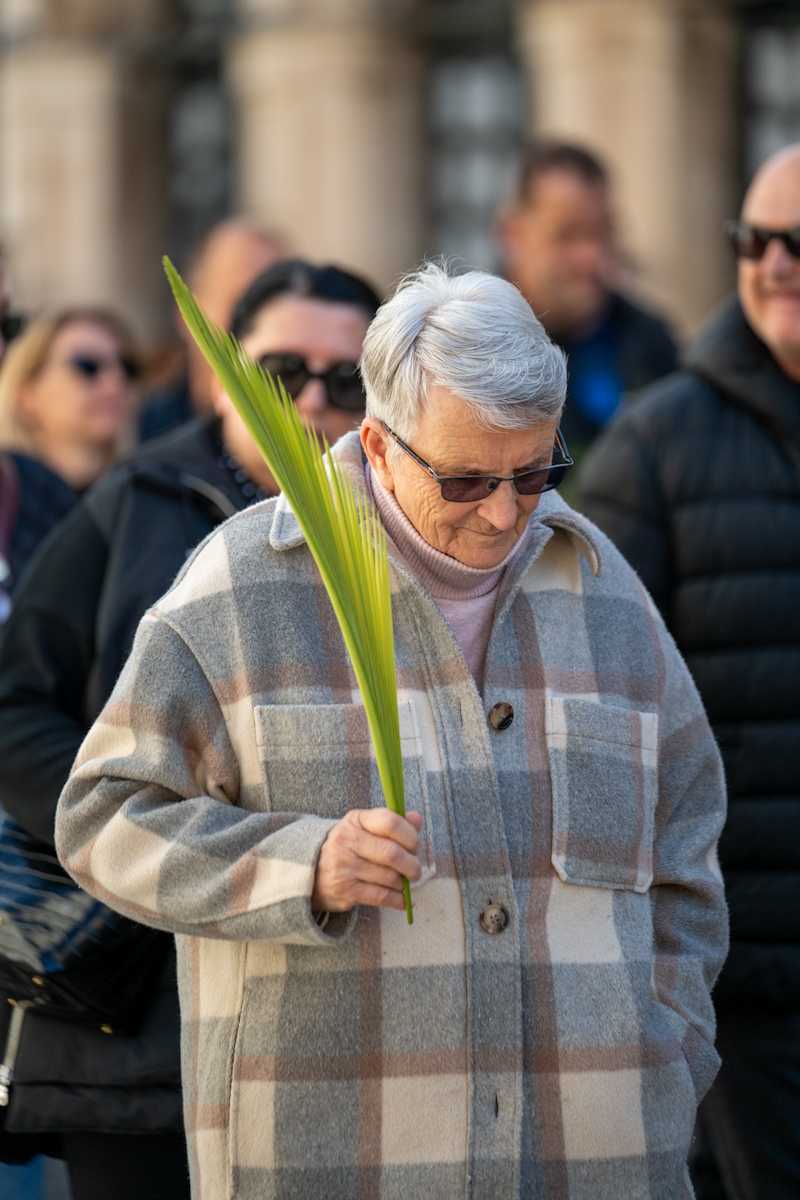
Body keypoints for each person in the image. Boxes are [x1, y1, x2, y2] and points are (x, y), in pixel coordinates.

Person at [55, 262, 727, 1200]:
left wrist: (669, 1053)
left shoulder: (603, 585)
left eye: (535, 472)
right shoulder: (242, 584)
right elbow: (101, 821)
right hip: (333, 1163)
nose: (504, 512)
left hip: (596, 1165)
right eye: (465, 479)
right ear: (376, 442)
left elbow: (686, 848)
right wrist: (303, 865)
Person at [0, 259, 380, 1200]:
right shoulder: (137, 501)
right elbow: (13, 704)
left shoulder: (409, 530)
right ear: (223, 372)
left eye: (345, 378)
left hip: (346, 997)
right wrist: (129, 831)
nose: (311, 401)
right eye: (281, 372)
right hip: (144, 1002)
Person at [577, 143, 800, 1199]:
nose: (773, 265)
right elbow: (595, 712)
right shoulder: (656, 445)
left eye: (795, 243)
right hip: (743, 977)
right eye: (752, 241)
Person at [497, 139, 678, 455]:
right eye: (568, 235)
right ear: (513, 235)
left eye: (602, 233)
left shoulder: (651, 345)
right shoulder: (471, 349)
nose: (591, 258)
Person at [0, 306, 139, 592]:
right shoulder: (7, 491)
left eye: (127, 368)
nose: (114, 383)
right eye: (87, 366)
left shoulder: (137, 497)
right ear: (27, 394)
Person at [139, 218, 287, 441]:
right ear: (186, 313)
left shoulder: (318, 427)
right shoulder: (135, 428)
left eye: (274, 305)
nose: (258, 324)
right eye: (239, 302)